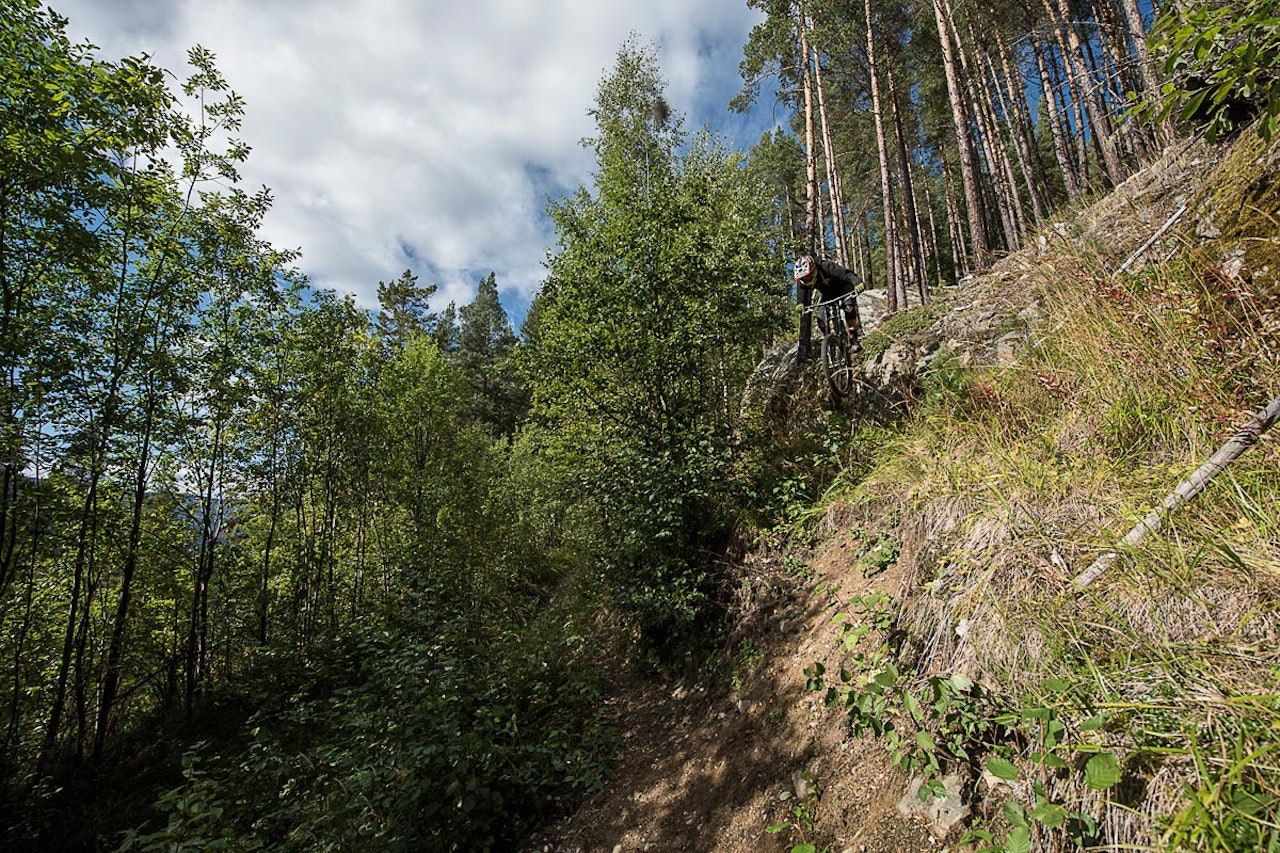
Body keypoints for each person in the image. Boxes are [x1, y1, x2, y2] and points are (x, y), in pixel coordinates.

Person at [793, 254, 864, 344]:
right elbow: (802, 293)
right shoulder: (803, 281)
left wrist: (857, 282)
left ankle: (853, 337)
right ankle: (829, 342)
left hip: (843, 287)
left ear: (813, 269)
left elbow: (847, 274)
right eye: (803, 278)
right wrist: (800, 303)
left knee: (849, 307)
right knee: (820, 319)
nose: (806, 280)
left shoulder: (826, 266)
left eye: (807, 276)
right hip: (828, 294)